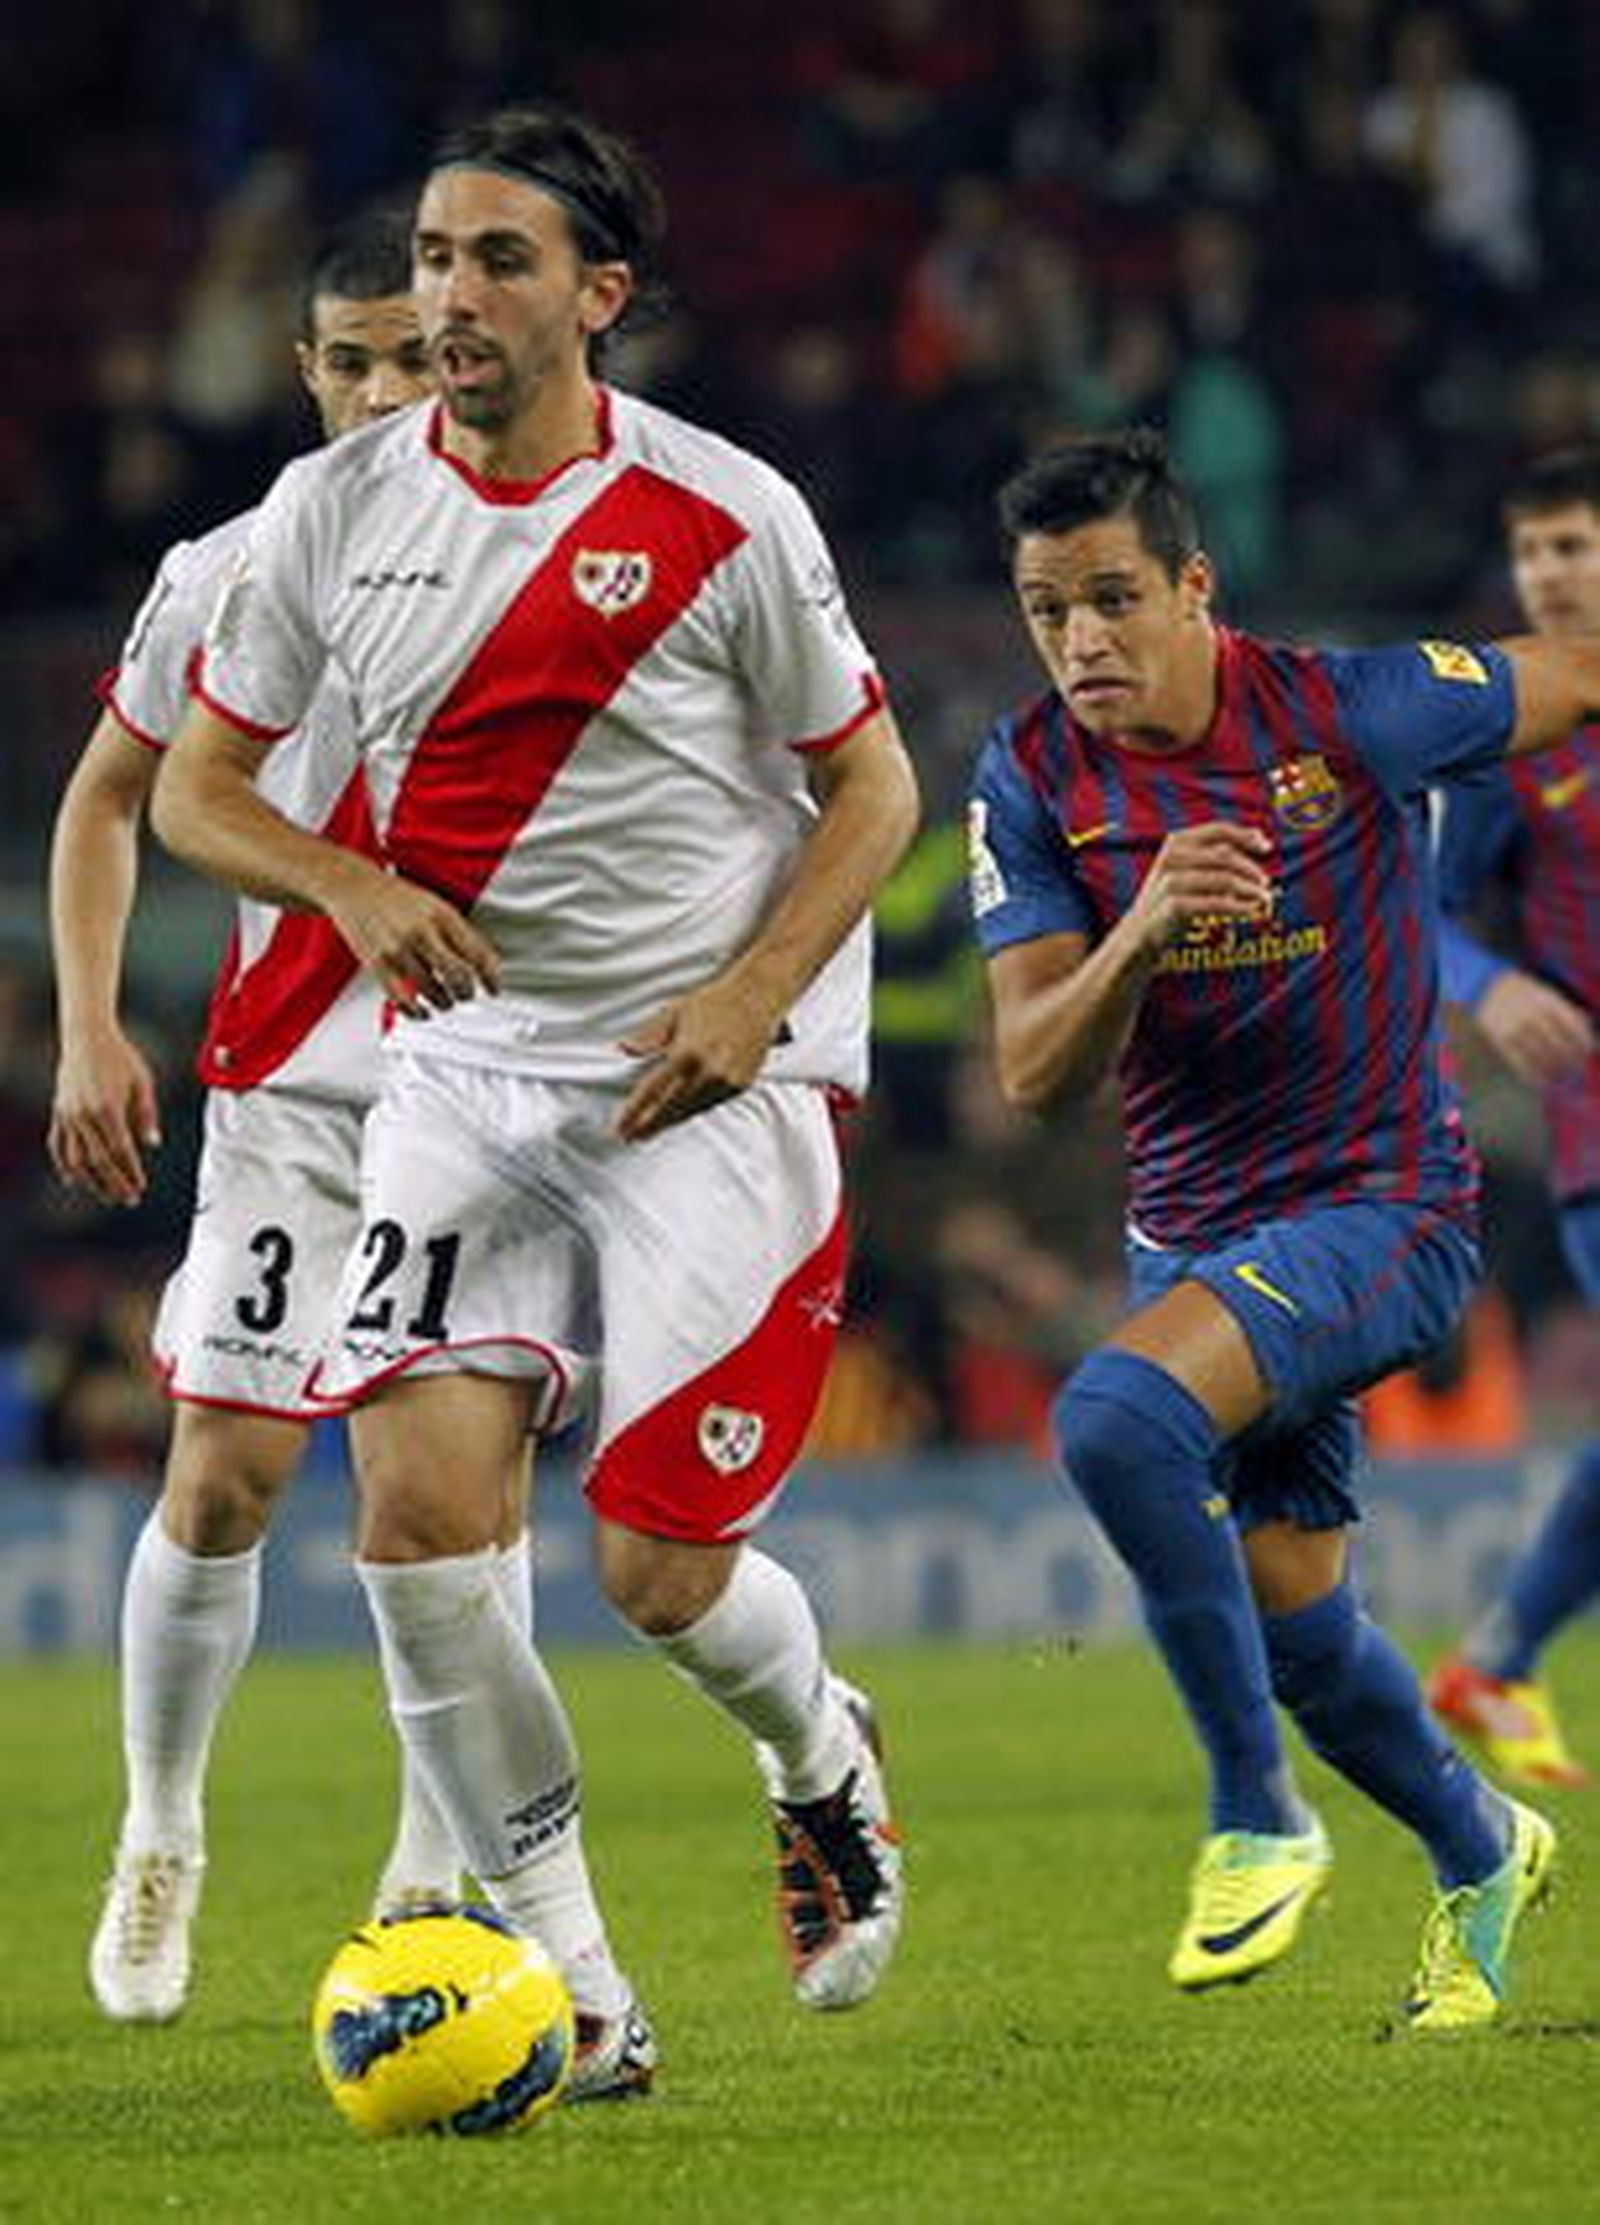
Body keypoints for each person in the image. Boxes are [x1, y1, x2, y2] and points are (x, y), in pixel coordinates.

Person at [151, 106, 919, 2095]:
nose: (448, 297)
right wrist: (351, 884)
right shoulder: (330, 512)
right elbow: (194, 791)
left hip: (693, 1086)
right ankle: (578, 1986)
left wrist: (755, 995)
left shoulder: (723, 514)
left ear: (601, 295)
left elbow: (874, 789)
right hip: (460, 1080)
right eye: (428, 256)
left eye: (497, 260)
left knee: (654, 1573)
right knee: (412, 1528)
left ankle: (818, 1751)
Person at [967, 428, 1600, 2033]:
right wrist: (1141, 934)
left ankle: (1254, 1811)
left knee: (1115, 1418)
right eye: (1049, 611)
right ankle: (1486, 1845)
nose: (1084, 641)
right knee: (1306, 1632)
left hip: (1386, 1213)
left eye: (1114, 598)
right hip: (1192, 1240)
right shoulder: (1032, 776)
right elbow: (1034, 1065)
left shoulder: (1349, 710)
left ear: (1194, 586)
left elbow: (1567, 676)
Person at [50, 211, 529, 2028]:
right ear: (308, 372)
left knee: (452, 1501)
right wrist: (92, 1030)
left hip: (482, 1089)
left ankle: (431, 1871)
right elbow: (114, 798)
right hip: (286, 1099)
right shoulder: (234, 566)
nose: (390, 389)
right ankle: (160, 1834)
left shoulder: (543, 554)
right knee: (224, 1477)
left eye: (420, 352)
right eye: (356, 359)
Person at [1426, 445, 1600, 1788]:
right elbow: (1419, 913)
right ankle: (1498, 1657)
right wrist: (1491, 987)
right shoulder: (1497, 722)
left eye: (1574, 545)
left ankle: (1496, 1660)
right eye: (1534, 550)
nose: (1549, 572)